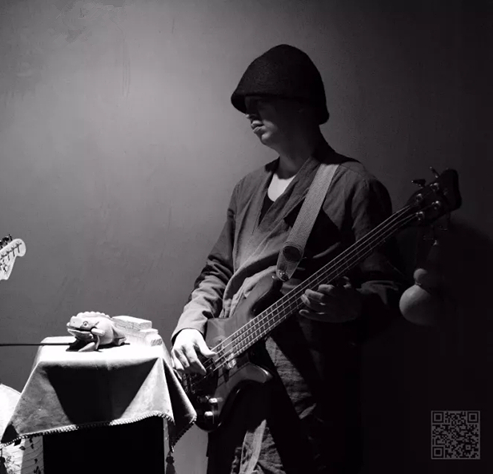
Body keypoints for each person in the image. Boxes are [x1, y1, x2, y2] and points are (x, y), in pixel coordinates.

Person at [171, 44, 407, 474]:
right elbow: (218, 270)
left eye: (261, 100)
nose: (250, 112)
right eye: (247, 104)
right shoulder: (247, 188)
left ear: (302, 103)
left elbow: (388, 287)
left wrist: (354, 306)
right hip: (230, 383)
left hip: (303, 398)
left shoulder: (353, 186)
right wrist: (189, 326)